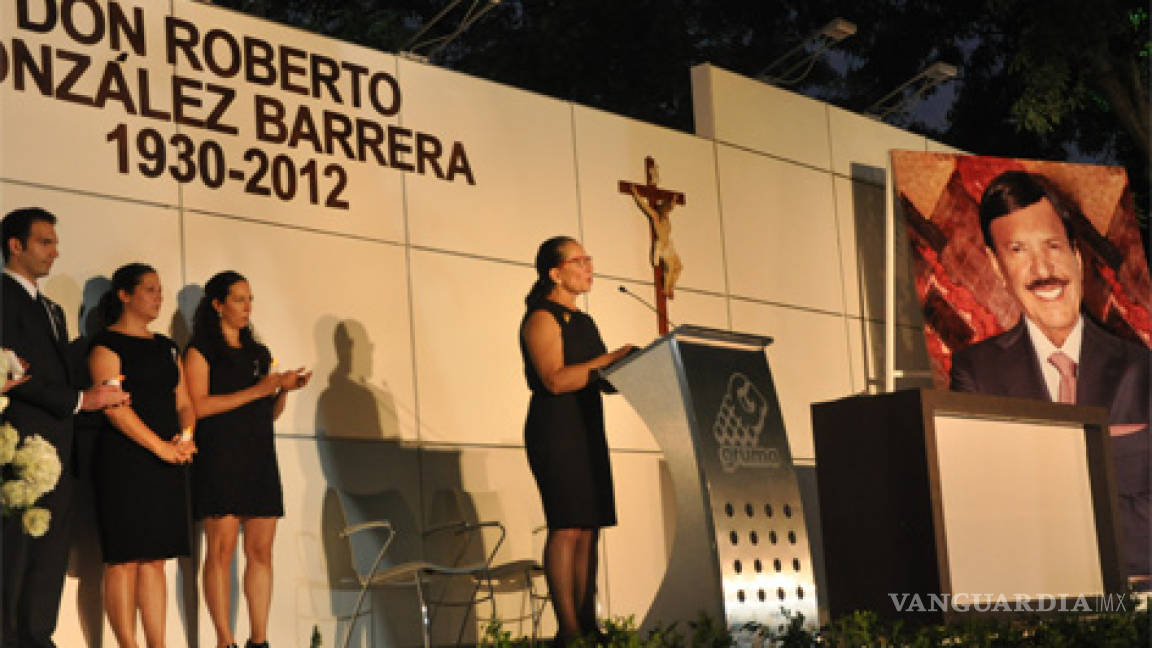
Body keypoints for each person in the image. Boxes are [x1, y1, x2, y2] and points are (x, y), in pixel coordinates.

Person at [950, 171, 1151, 584]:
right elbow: (979, 512)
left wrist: (1049, 521)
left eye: (1053, 246)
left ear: (1077, 257)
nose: (1042, 269)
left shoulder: (1142, 368)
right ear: (996, 266)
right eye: (1018, 250)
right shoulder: (976, 373)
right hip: (1032, 603)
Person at [0, 208, 127, 648]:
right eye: (44, 242)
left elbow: (54, 374)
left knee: (51, 552)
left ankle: (38, 635)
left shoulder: (52, 309)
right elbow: (10, 370)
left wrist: (97, 394)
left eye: (55, 242)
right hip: (19, 447)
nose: (55, 252)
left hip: (60, 446)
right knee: (15, 550)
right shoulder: (1, 295)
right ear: (16, 246)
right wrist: (80, 399)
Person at [184, 271, 310, 648]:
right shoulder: (200, 350)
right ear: (218, 304)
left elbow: (266, 413)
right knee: (220, 551)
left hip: (258, 457)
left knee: (261, 551)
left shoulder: (257, 352)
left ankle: (260, 638)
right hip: (219, 457)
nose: (247, 307)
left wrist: (281, 391)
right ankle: (224, 639)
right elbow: (198, 407)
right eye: (239, 299)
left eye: (250, 299)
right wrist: (258, 390)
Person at [519, 236, 634, 645]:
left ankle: (589, 624)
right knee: (567, 525)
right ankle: (568, 630)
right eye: (580, 260)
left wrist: (634, 367)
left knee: (590, 527)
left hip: (587, 425)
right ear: (555, 273)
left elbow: (599, 380)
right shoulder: (541, 317)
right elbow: (554, 379)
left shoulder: (584, 322)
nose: (589, 267)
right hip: (556, 428)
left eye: (590, 259)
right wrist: (606, 362)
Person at [87, 263, 197, 648]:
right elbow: (115, 408)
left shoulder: (167, 347)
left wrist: (185, 437)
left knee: (156, 558)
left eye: (159, 289)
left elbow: (184, 401)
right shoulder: (106, 345)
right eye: (149, 289)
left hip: (166, 461)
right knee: (125, 559)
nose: (158, 296)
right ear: (125, 295)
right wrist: (161, 447)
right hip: (125, 463)